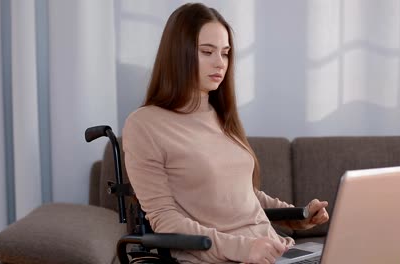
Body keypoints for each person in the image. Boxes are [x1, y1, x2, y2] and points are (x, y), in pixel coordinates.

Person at [122, 3, 329, 263]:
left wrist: (299, 215)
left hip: (273, 251)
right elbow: (165, 218)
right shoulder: (144, 125)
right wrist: (244, 248)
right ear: (178, 54)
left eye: (226, 53)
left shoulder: (220, 115)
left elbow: (244, 196)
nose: (220, 63)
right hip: (220, 258)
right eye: (207, 51)